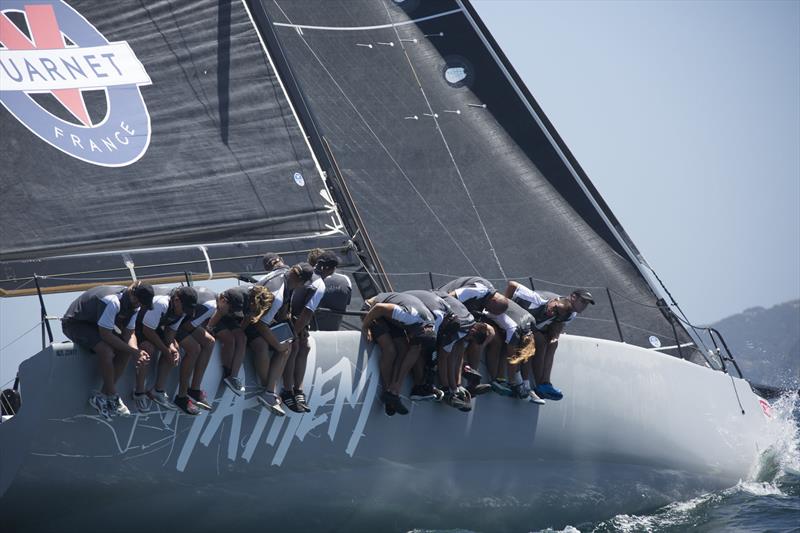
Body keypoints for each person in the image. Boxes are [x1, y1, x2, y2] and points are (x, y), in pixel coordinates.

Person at [61, 282, 154, 418]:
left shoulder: (135, 305)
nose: (140, 306)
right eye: (140, 302)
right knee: (106, 351)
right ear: (133, 296)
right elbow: (106, 335)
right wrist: (135, 352)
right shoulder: (112, 301)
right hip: (76, 324)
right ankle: (112, 394)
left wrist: (135, 351)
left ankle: (102, 396)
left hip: (95, 324)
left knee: (125, 351)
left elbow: (129, 333)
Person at [403, 290, 491, 411]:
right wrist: (447, 386)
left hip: (432, 300)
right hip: (420, 306)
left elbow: (458, 353)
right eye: (470, 339)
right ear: (472, 332)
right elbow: (443, 358)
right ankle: (425, 386)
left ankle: (452, 385)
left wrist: (456, 385)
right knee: (427, 352)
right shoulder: (461, 329)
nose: (469, 340)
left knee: (454, 347)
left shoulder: (470, 322)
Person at [505, 282, 594, 400]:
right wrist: (504, 306)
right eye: (582, 301)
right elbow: (512, 285)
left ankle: (544, 383)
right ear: (573, 297)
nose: (584, 306)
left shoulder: (571, 314)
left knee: (552, 344)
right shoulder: (541, 299)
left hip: (530, 324)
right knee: (537, 340)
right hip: (515, 317)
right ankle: (526, 382)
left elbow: (557, 326)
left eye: (586, 304)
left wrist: (554, 337)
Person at [250, 262, 315, 415]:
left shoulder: (285, 274)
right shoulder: (278, 294)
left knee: (289, 341)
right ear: (301, 282)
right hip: (248, 320)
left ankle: (270, 390)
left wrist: (291, 331)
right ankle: (269, 390)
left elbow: (283, 312)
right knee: (279, 347)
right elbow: (260, 324)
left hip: (257, 317)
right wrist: (278, 346)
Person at [361, 292, 436, 416]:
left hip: (392, 318)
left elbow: (415, 349)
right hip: (373, 309)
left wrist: (398, 384)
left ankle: (393, 393)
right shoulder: (410, 316)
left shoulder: (432, 326)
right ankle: (387, 391)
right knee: (390, 350)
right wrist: (365, 326)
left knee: (405, 349)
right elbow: (379, 307)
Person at [132, 286, 199, 415]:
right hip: (138, 327)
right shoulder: (161, 304)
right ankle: (139, 393)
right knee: (148, 348)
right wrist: (165, 350)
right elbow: (147, 330)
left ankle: (158, 391)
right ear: (177, 300)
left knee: (175, 349)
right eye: (184, 309)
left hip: (154, 329)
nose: (184, 312)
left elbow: (170, 332)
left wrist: (171, 348)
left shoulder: (182, 311)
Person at [439, 276, 508, 393]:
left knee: (488, 333)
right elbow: (450, 297)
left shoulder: (488, 296)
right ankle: (453, 385)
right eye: (491, 309)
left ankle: (470, 379)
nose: (488, 311)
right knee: (459, 343)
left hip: (462, 315)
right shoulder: (479, 290)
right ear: (494, 301)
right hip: (444, 307)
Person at [206, 285, 274, 396]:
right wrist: (209, 328)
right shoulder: (239, 298)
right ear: (254, 301)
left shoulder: (251, 302)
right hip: (216, 313)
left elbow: (247, 319)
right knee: (230, 339)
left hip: (228, 316)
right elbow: (220, 311)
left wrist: (238, 332)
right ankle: (227, 371)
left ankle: (233, 376)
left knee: (242, 338)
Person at [281, 261, 327, 413]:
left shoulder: (302, 273)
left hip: (288, 316)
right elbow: (307, 313)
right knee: (293, 347)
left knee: (304, 346)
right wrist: (293, 334)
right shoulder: (319, 284)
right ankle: (288, 390)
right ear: (331, 269)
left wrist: (297, 330)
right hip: (283, 317)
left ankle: (298, 390)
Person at [483, 298, 544, 404]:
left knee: (515, 349)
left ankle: (506, 379)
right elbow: (512, 358)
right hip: (485, 312)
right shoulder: (515, 332)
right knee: (499, 344)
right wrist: (514, 383)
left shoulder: (531, 323)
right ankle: (494, 379)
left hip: (501, 310)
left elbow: (522, 354)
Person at [174, 286, 217, 412]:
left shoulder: (212, 305)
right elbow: (187, 326)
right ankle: (181, 397)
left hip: (182, 320)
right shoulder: (211, 307)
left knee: (210, 342)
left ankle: (194, 389)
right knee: (194, 349)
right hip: (175, 323)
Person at [307, 248, 352, 331]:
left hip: (312, 332)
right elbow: (347, 302)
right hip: (335, 330)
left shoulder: (308, 282)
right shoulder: (346, 280)